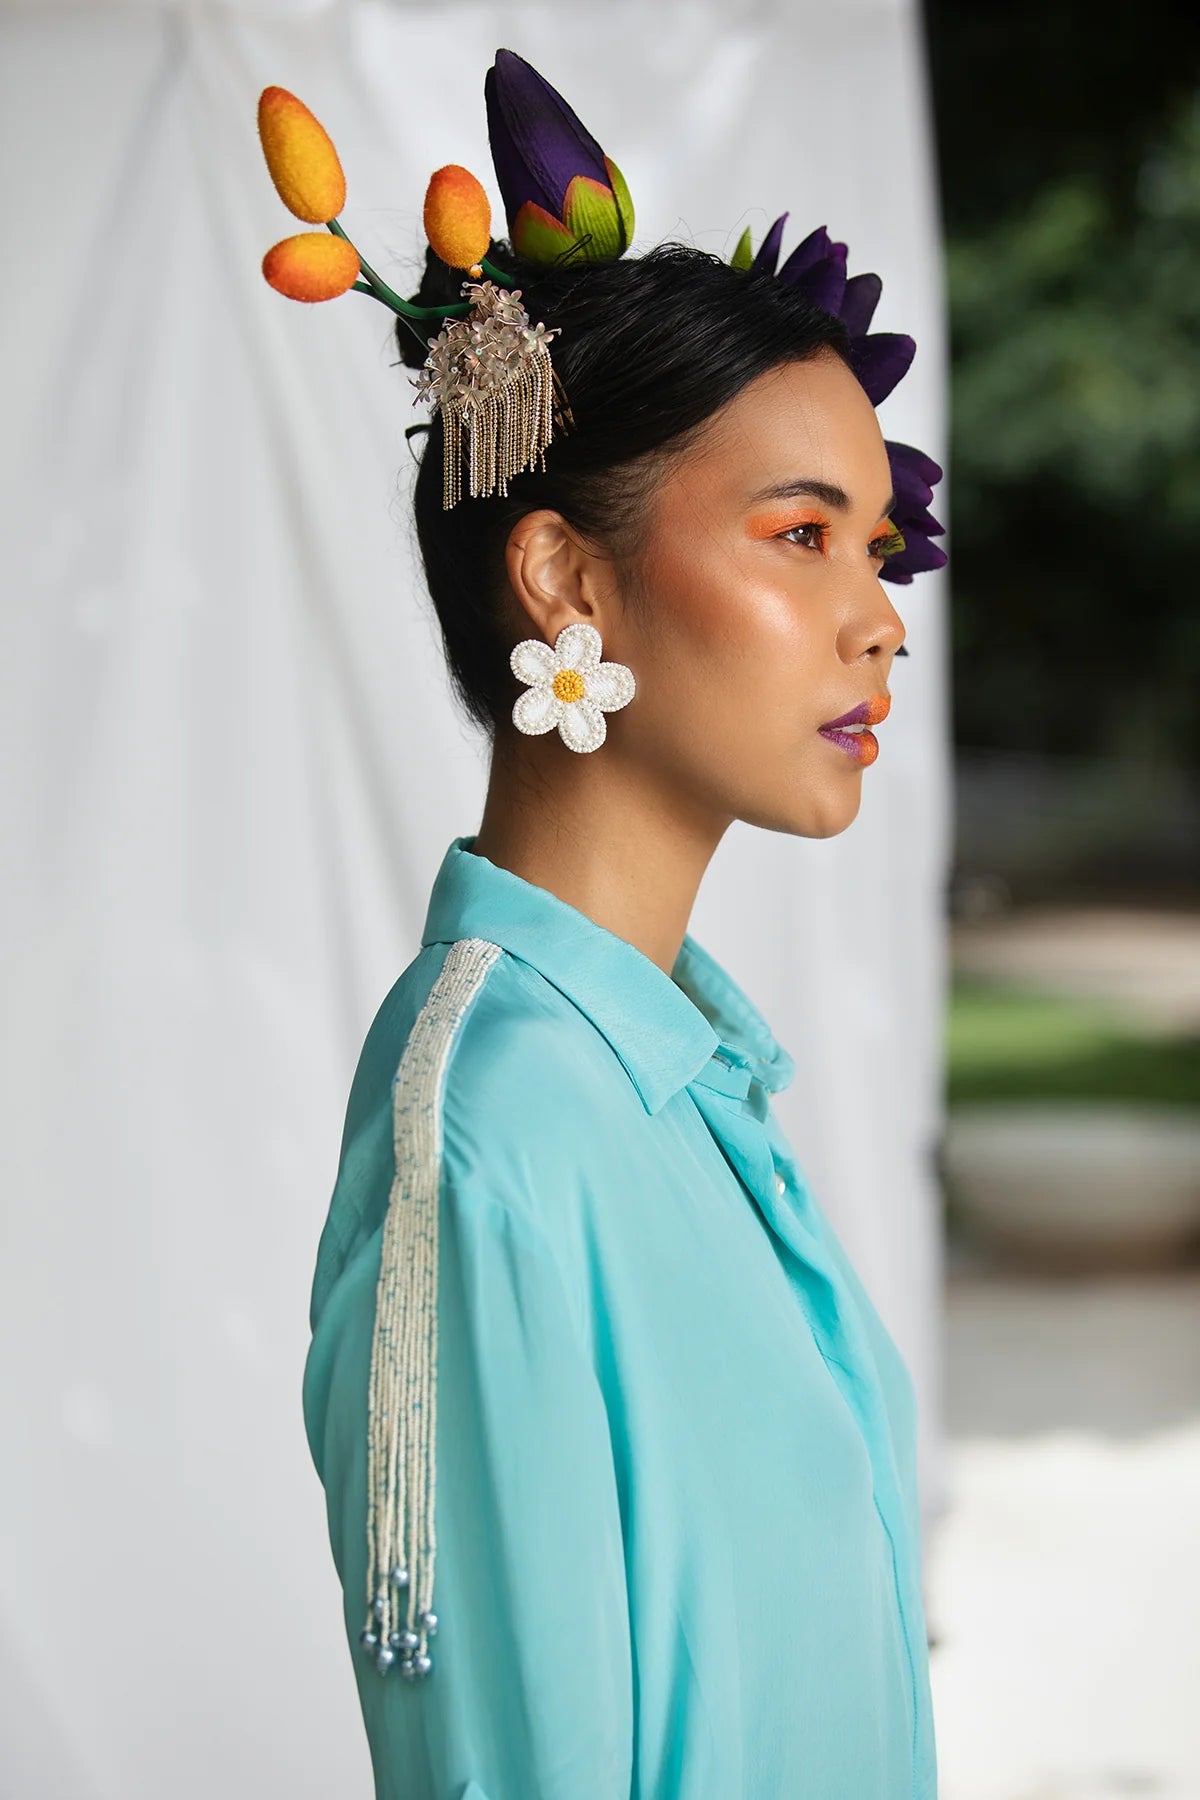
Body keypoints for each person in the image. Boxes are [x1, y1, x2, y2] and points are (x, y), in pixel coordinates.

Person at [266, 45, 946, 1800]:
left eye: (876, 545)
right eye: (803, 535)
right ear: (566, 578)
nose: (879, 619)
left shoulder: (689, 1089)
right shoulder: (496, 1136)